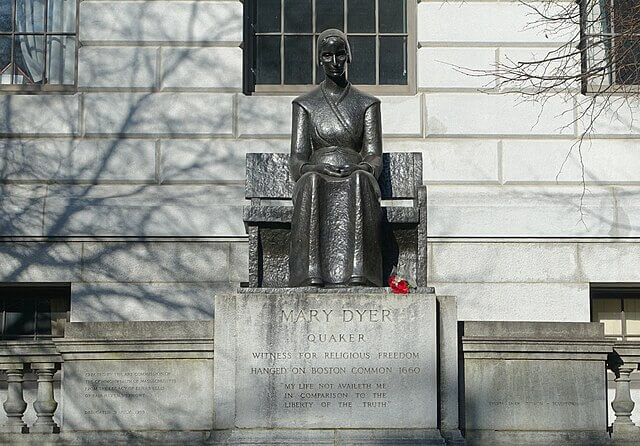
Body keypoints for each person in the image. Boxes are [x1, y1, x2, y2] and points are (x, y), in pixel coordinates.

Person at [289, 28, 383, 287]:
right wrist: (313, 167)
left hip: (355, 172)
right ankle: (309, 273)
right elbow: (297, 158)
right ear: (320, 59)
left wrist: (361, 167)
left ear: (348, 57)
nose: (334, 62)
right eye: (327, 56)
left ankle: (361, 272)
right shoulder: (305, 104)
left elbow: (374, 155)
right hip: (318, 172)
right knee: (310, 183)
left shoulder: (367, 103)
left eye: (340, 55)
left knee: (361, 182)